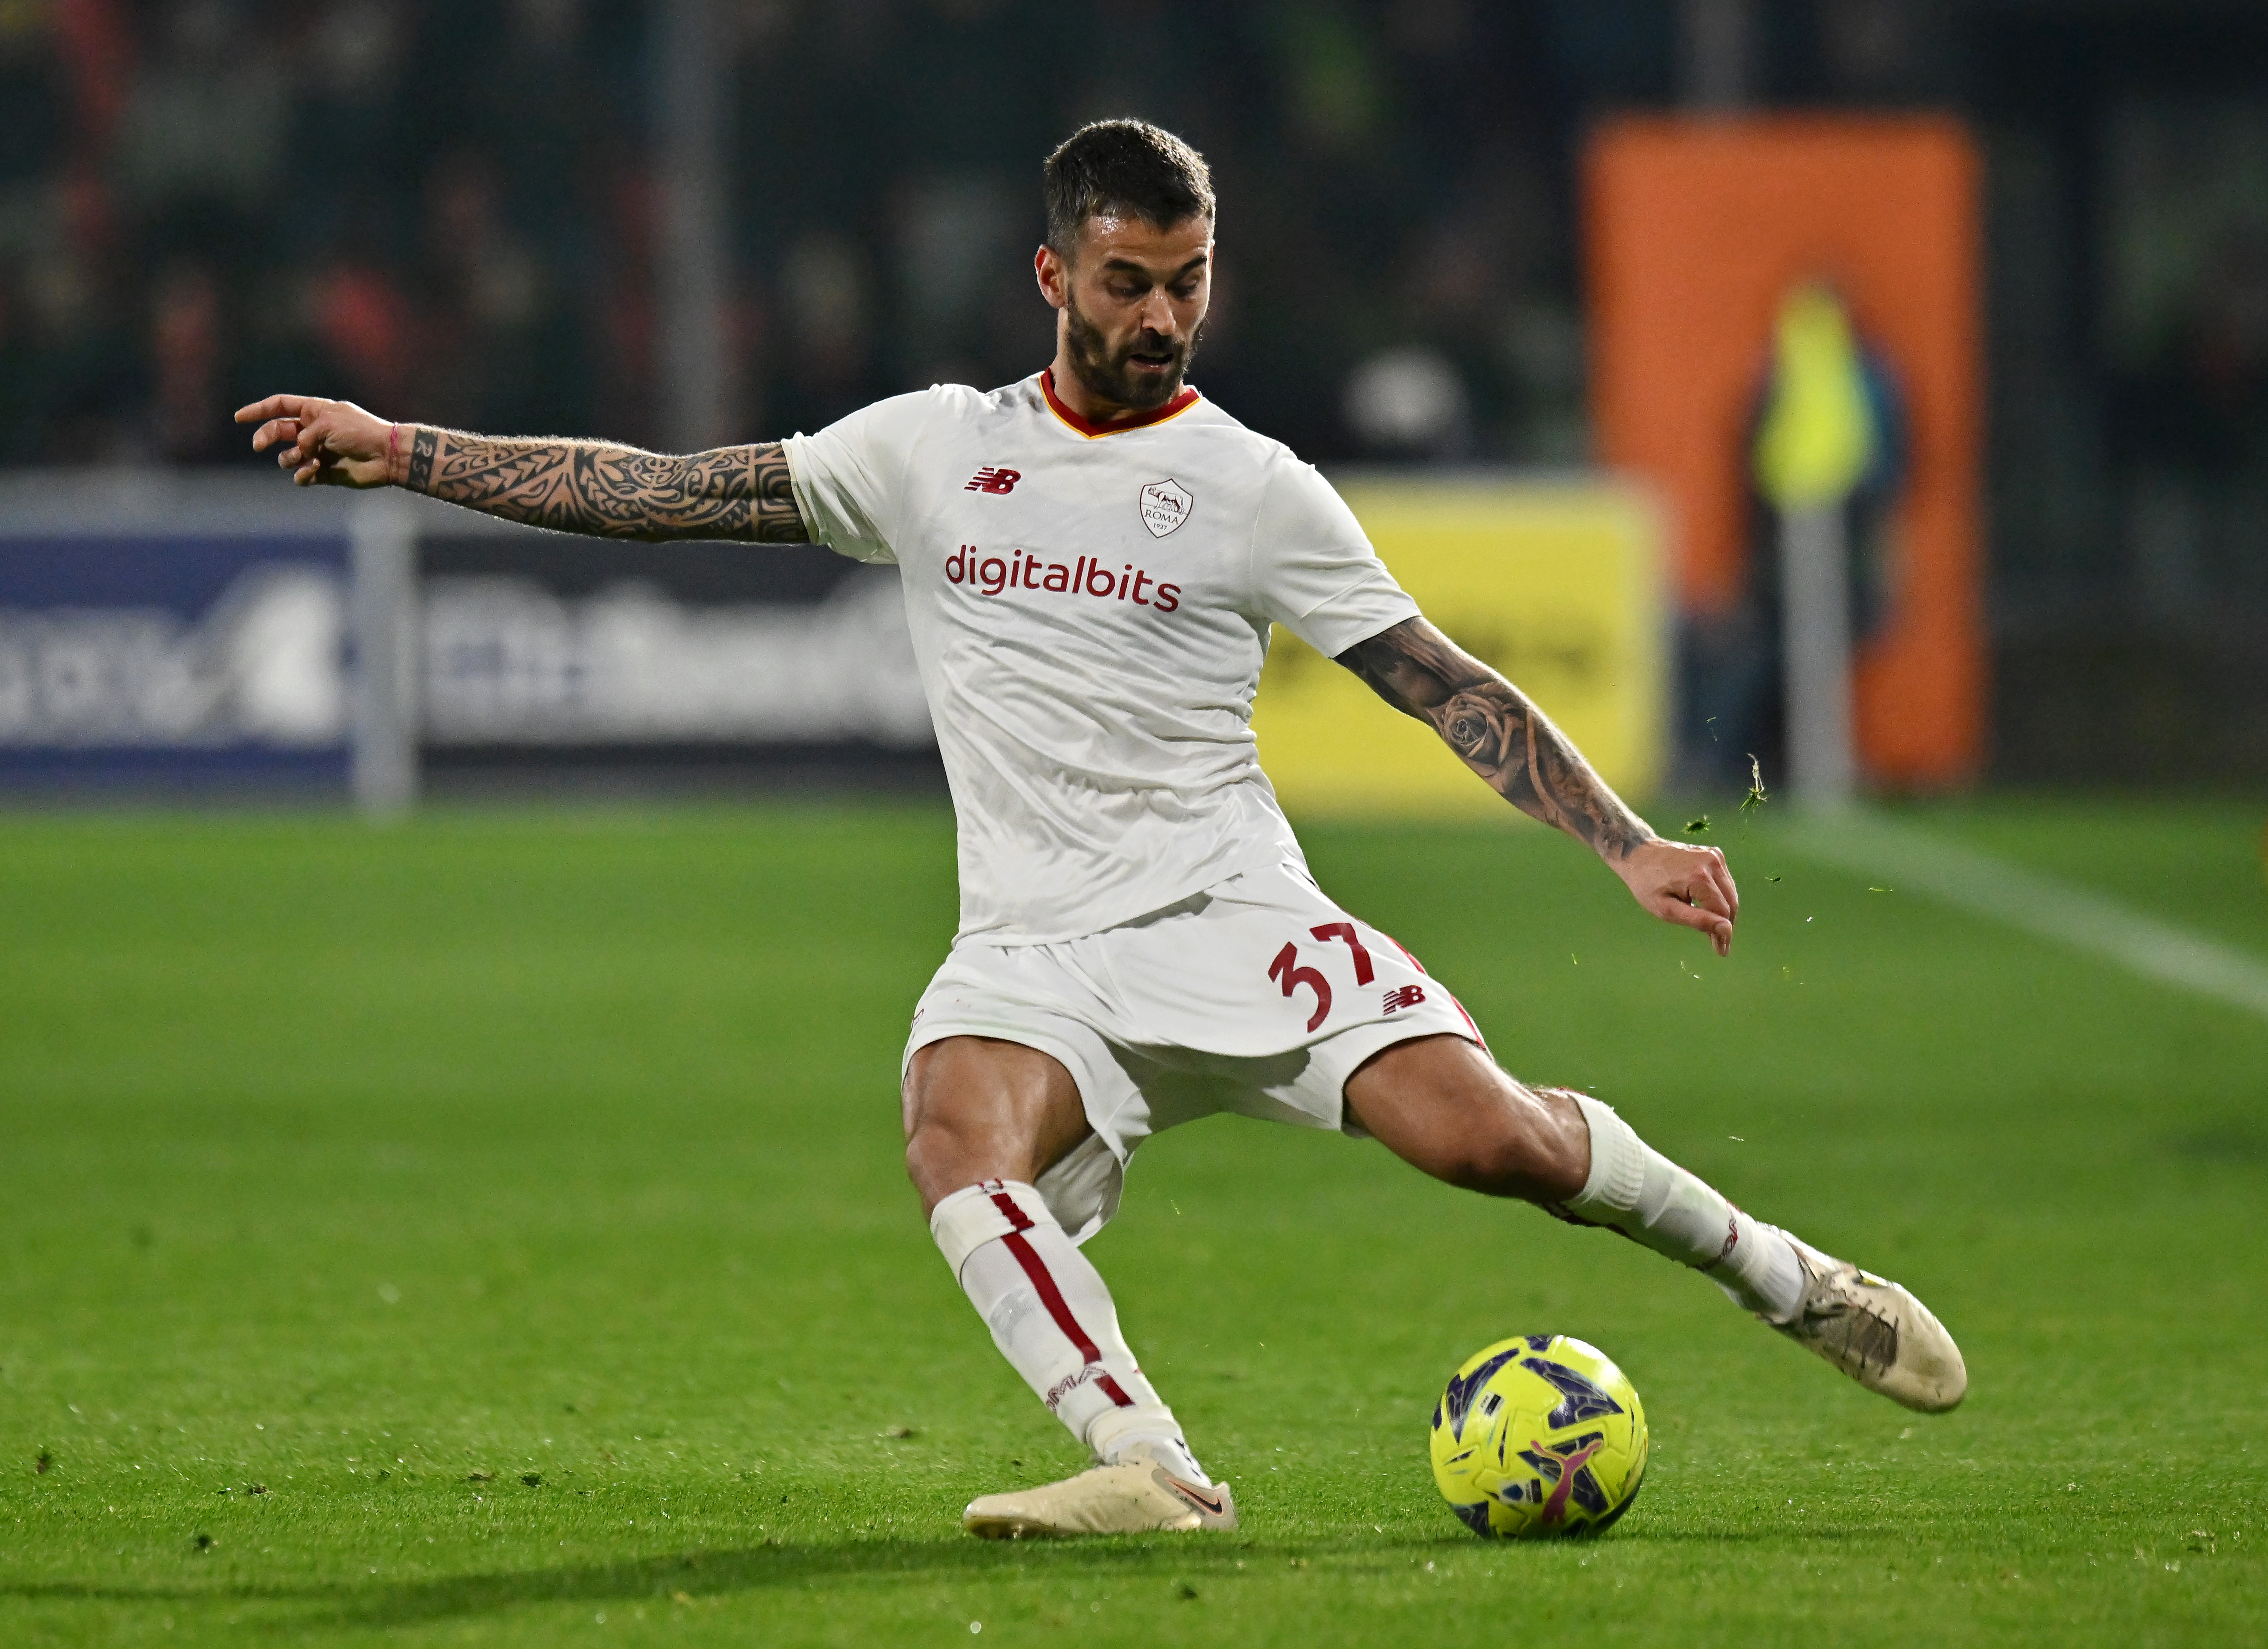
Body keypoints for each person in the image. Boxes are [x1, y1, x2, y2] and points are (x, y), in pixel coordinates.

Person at [235, 119, 1964, 1540]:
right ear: (1055, 274)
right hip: (1033, 948)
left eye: (1190, 281)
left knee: (1494, 1142)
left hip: (1233, 909)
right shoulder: (927, 453)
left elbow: (1440, 681)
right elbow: (665, 492)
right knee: (949, 1135)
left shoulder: (1256, 486)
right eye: (1130, 282)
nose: (1163, 317)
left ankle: (1791, 1277)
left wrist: (1624, 842)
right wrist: (414, 449)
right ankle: (1150, 1461)